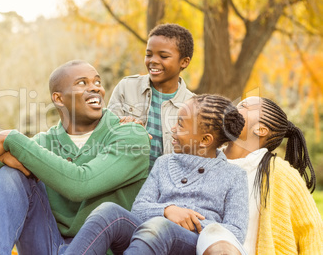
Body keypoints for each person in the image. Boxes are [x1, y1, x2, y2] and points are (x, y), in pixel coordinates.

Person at [0, 60, 151, 254]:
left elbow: (80, 184)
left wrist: (11, 139)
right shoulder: (43, 143)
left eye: (97, 82)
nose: (95, 88)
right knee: (12, 173)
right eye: (82, 83)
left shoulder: (130, 135)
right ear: (59, 99)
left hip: (101, 248)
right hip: (47, 244)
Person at [64, 94, 249, 255]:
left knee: (159, 227)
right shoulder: (164, 163)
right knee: (108, 211)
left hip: (191, 244)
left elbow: (236, 231)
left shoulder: (234, 175)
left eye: (181, 125)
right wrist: (167, 210)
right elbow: (139, 209)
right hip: (149, 239)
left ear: (205, 140)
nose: (173, 129)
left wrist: (191, 222)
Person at [198, 96, 323, 255]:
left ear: (260, 130)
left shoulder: (280, 173)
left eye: (243, 106)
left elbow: (311, 230)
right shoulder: (202, 161)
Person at [108, 23, 195, 169]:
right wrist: (124, 126)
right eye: (149, 54)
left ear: (184, 62)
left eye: (163, 56)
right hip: (126, 183)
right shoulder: (126, 87)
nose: (153, 60)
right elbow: (107, 135)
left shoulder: (193, 105)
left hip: (167, 188)